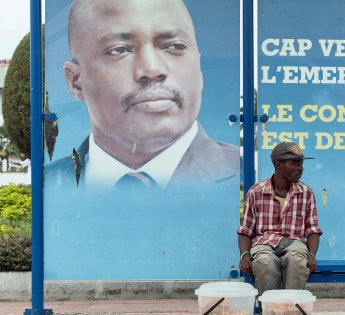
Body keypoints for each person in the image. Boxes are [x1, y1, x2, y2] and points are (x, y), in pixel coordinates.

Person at [45, 0, 238, 190]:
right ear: (75, 82)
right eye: (119, 50)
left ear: (199, 67)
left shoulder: (243, 173)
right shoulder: (47, 185)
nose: (152, 69)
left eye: (175, 46)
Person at [237, 142, 323, 294]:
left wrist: (311, 255)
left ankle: (290, 307)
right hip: (264, 243)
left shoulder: (306, 193)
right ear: (278, 165)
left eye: (301, 164)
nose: (301, 168)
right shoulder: (256, 192)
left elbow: (312, 230)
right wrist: (244, 255)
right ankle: (271, 308)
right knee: (264, 262)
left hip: (294, 243)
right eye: (295, 164)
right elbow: (245, 231)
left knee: (297, 261)